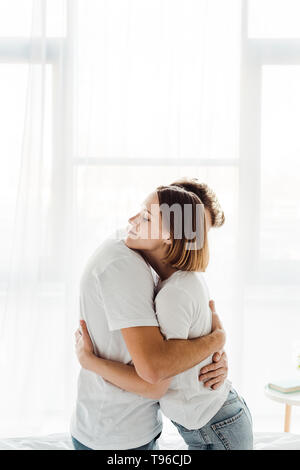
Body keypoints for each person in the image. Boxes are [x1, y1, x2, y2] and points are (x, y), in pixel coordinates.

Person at [75, 180, 253, 450]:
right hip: (117, 433)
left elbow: (165, 363)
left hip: (205, 424)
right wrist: (215, 341)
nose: (194, 238)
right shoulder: (133, 266)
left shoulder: (175, 286)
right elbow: (159, 368)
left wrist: (215, 346)